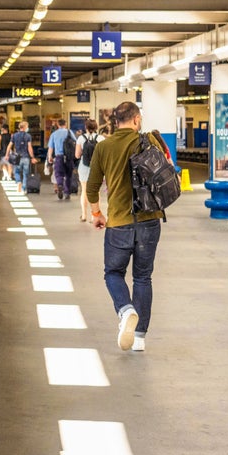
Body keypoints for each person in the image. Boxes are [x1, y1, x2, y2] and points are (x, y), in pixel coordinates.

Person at [86, 102, 166, 353]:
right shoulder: (150, 141)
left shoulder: (104, 146)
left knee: (113, 273)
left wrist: (97, 213)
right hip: (149, 220)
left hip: (119, 222)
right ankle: (139, 338)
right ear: (136, 120)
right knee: (143, 277)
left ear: (114, 121)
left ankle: (125, 309)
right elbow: (166, 169)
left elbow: (92, 187)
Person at [76, 118, 101, 222]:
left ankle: (84, 215)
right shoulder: (101, 138)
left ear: (86, 127)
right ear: (96, 127)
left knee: (84, 191)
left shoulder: (81, 139)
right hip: (97, 168)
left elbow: (77, 155)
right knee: (96, 191)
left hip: (84, 166)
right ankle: (94, 216)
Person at [46, 120, 74, 200]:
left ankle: (60, 185)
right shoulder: (69, 132)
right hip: (68, 157)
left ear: (58, 125)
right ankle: (67, 192)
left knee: (58, 174)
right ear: (66, 124)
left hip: (59, 156)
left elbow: (50, 147)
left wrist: (50, 157)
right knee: (68, 175)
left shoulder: (54, 134)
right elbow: (75, 142)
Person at [8, 120, 35, 193]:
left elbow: (10, 145)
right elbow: (29, 147)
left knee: (16, 172)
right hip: (26, 157)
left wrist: (7, 155)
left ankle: (18, 181)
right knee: (25, 174)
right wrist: (32, 157)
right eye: (27, 127)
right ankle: (23, 189)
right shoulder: (28, 136)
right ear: (25, 127)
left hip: (17, 157)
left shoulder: (14, 135)